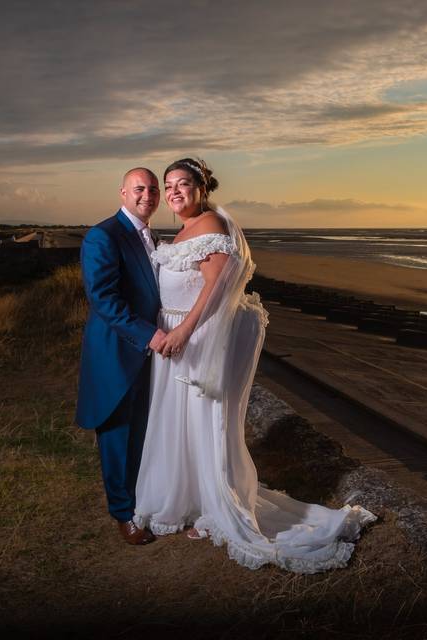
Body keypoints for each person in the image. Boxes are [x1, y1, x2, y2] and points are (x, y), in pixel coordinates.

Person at [133, 158, 375, 573]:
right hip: (174, 336)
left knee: (208, 421)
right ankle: (188, 496)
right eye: (168, 185)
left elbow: (215, 290)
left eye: (183, 184)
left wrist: (182, 333)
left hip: (195, 338)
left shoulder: (211, 225)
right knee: (181, 422)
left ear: (201, 188)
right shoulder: (187, 227)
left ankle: (216, 507)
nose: (173, 192)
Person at [76, 168, 167, 545]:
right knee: (117, 436)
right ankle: (123, 516)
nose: (147, 194)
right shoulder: (103, 235)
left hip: (150, 354)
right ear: (123, 193)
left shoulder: (153, 237)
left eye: (152, 189)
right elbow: (104, 301)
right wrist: (152, 335)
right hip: (118, 352)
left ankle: (143, 502)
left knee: (144, 434)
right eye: (139, 189)